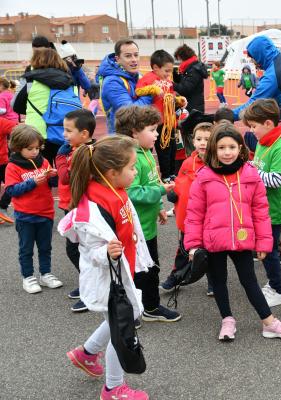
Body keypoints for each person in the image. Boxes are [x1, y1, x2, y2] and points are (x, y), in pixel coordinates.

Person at [184, 122, 281, 341]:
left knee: (250, 280)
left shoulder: (251, 174)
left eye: (232, 147)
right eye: (221, 147)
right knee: (218, 281)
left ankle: (269, 322)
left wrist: (265, 243)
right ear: (213, 150)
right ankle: (227, 320)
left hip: (242, 240)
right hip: (213, 240)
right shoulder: (204, 176)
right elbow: (194, 214)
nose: (227, 152)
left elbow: (261, 211)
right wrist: (193, 245)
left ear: (240, 148)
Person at [60, 136, 151, 400]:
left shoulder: (114, 189)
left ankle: (86, 354)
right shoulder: (93, 207)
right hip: (108, 278)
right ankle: (113, 388)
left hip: (120, 272)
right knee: (121, 331)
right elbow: (88, 249)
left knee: (118, 320)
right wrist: (105, 252)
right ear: (112, 173)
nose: (136, 171)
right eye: (132, 167)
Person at [115, 105, 181, 324]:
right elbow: (132, 193)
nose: (156, 134)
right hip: (134, 229)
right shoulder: (130, 158)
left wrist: (159, 207)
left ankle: (148, 306)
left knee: (150, 267)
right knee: (137, 271)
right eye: (152, 130)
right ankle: (139, 309)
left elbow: (150, 182)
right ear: (134, 132)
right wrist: (162, 191)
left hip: (146, 225)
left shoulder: (145, 153)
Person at [243, 99, 281, 307]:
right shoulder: (265, 142)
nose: (252, 131)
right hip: (262, 208)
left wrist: (251, 171)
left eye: (254, 126)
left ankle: (277, 289)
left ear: (268, 124)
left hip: (274, 210)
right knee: (263, 249)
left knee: (270, 250)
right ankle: (273, 285)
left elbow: (276, 180)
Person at [5, 125, 61, 294]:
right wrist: (32, 182)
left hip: (46, 212)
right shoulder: (12, 167)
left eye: (37, 148)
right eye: (30, 149)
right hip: (25, 215)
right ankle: (28, 277)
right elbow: (11, 190)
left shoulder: (43, 161)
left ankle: (45, 274)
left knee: (45, 247)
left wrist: (53, 176)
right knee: (26, 248)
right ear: (18, 147)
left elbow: (52, 185)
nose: (35, 151)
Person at [161, 122, 213, 294]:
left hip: (210, 218)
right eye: (199, 139)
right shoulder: (188, 162)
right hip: (189, 218)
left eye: (207, 138)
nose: (202, 143)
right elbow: (180, 182)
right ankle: (176, 277)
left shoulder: (218, 164)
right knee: (184, 247)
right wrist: (174, 192)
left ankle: (214, 282)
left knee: (212, 251)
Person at [56, 109, 96, 312]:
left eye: (68, 130)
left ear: (84, 134)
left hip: (79, 206)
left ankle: (92, 288)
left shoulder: (83, 152)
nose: (64, 134)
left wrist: (60, 157)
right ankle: (87, 283)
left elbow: (65, 177)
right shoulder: (79, 148)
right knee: (79, 249)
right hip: (72, 204)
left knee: (80, 249)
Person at [12, 48, 81, 165]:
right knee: (64, 169)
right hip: (63, 131)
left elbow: (16, 106)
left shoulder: (31, 80)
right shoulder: (70, 81)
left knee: (40, 171)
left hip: (36, 134)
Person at [136, 49, 187, 180]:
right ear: (155, 67)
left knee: (172, 149)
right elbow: (138, 91)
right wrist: (152, 88)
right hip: (158, 123)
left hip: (170, 121)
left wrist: (178, 100)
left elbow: (170, 95)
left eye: (170, 71)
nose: (169, 74)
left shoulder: (168, 81)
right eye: (167, 71)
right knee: (163, 150)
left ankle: (171, 173)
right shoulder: (149, 78)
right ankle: (165, 176)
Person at [233, 35, 281, 120]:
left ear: (259, 55)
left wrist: (228, 115)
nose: (252, 61)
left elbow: (253, 105)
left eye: (252, 58)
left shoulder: (271, 76)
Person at [97, 39, 153, 134]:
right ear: (117, 59)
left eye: (136, 55)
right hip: (122, 141)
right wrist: (150, 92)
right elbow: (130, 112)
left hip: (140, 135)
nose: (134, 60)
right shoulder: (112, 82)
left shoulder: (138, 76)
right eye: (128, 56)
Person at [173, 44, 209, 114]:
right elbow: (183, 82)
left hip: (193, 106)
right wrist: (175, 74)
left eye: (179, 59)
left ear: (183, 57)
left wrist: (172, 84)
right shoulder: (189, 67)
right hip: (192, 103)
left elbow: (186, 88)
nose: (179, 62)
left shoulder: (193, 70)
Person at [0, 117, 17, 223]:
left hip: (2, 161)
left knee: (12, 185)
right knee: (13, 186)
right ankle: (2, 207)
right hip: (2, 160)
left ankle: (2, 207)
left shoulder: (1, 122)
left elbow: (20, 130)